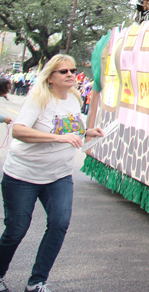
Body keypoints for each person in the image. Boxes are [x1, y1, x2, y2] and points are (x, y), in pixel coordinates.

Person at [0, 55, 104, 292]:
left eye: (72, 70)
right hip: (22, 175)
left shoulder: (75, 100)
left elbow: (69, 129)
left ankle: (37, 282)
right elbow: (18, 131)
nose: (70, 74)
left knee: (59, 223)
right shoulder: (38, 100)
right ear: (50, 78)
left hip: (58, 176)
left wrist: (87, 131)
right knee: (16, 229)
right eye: (63, 71)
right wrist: (59, 138)